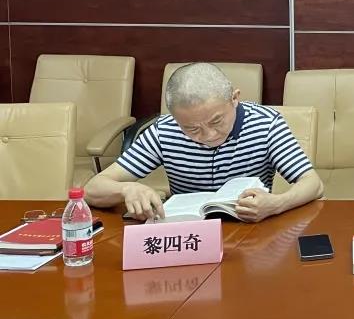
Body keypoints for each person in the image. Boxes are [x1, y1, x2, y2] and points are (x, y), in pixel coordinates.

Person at [85, 62, 323, 222]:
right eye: (192, 128)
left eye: (216, 121)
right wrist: (126, 189)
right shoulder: (163, 131)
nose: (208, 135)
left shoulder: (266, 123)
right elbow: (92, 189)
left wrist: (277, 204)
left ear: (234, 98)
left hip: (249, 229)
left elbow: (312, 183)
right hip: (187, 234)